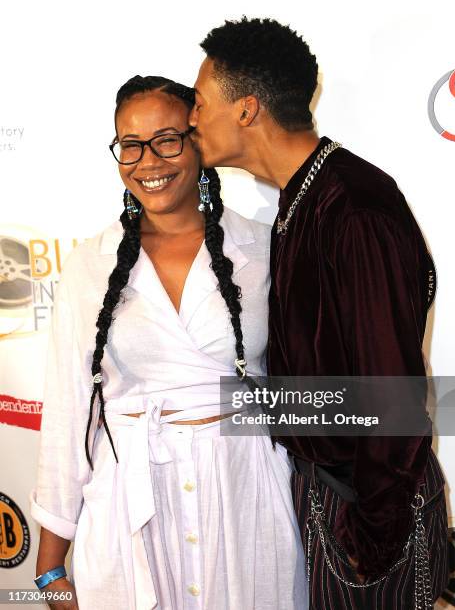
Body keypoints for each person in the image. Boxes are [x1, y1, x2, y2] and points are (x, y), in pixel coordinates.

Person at [190, 17, 449, 609]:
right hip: (329, 499)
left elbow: (389, 394)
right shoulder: (302, 201)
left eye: (202, 102)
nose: (192, 117)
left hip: (367, 513)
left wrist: (372, 537)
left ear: (248, 109)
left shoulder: (352, 208)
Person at [30, 75, 308, 610]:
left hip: (245, 496)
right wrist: (48, 567)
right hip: (131, 508)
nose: (148, 160)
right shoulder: (92, 261)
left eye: (167, 139)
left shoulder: (265, 248)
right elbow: (70, 413)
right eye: (130, 145)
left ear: (198, 140)